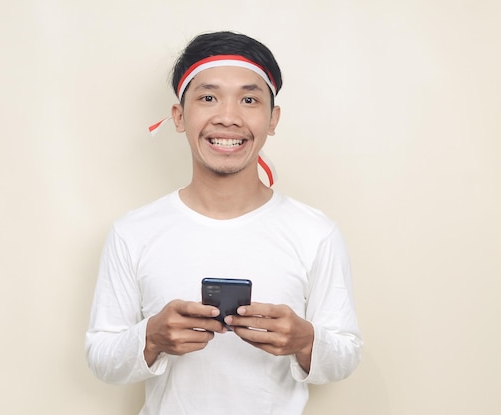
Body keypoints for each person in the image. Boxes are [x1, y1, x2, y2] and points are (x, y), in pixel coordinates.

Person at [86, 31, 363, 414]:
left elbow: (346, 353)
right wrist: (150, 338)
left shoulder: (316, 232)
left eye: (249, 99)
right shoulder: (132, 232)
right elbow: (101, 356)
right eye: (208, 97)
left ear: (273, 118)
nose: (228, 118)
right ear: (179, 117)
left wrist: (305, 340)